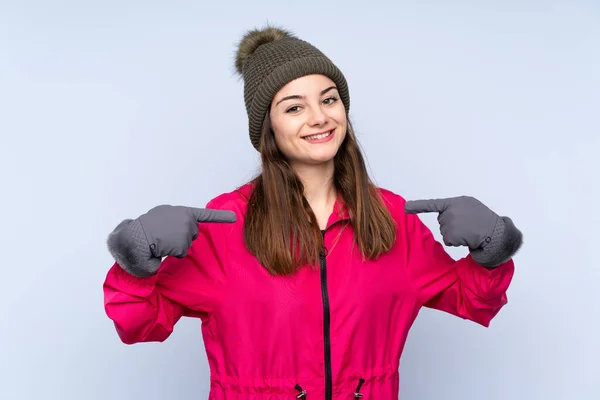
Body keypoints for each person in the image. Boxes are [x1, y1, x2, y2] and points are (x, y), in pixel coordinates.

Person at [103, 25, 523, 399]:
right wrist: (137, 261)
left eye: (330, 99)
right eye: (294, 107)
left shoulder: (392, 219)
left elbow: (473, 300)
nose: (319, 117)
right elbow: (140, 324)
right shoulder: (226, 224)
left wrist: (491, 246)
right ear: (268, 128)